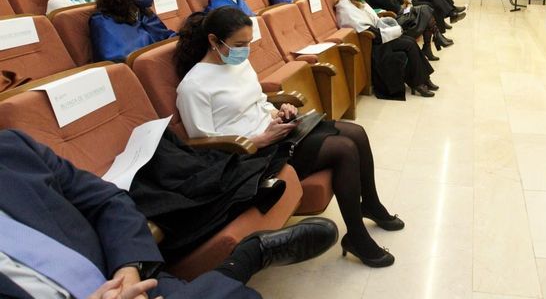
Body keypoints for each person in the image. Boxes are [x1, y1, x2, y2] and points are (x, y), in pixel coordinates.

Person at [175, 7, 403, 267]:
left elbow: (258, 100)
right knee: (344, 149)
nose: (245, 50)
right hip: (250, 156)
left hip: (276, 132)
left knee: (357, 133)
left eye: (248, 43)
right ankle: (357, 238)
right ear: (214, 41)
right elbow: (205, 147)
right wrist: (258, 139)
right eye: (239, 44)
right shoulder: (193, 86)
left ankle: (371, 204)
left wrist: (278, 111)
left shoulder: (238, 63)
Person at [0, 128, 339, 299]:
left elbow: (107, 200)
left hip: (125, 280)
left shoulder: (12, 148)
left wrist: (128, 269)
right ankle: (245, 259)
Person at [336, 0, 438, 98]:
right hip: (370, 43)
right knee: (409, 44)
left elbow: (373, 21)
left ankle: (423, 79)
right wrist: (393, 31)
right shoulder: (345, 7)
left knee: (409, 40)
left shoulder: (357, 2)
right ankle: (418, 83)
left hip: (377, 36)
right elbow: (364, 29)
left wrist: (389, 27)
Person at [367, 0, 449, 61]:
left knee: (426, 10)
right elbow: (396, 8)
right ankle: (435, 40)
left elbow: (401, 1)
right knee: (426, 10)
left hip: (400, 12)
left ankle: (434, 41)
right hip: (393, 19)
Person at [90, 0, 176, 62]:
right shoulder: (103, 20)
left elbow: (165, 36)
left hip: (160, 60)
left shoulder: (141, 11)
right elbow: (119, 58)